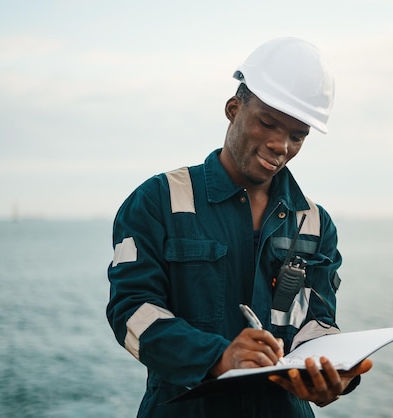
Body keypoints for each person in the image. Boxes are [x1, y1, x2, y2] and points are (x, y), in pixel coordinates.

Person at [106, 37, 372, 417]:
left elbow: (316, 321)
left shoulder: (314, 222)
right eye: (268, 123)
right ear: (233, 109)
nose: (281, 145)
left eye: (298, 136)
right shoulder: (158, 200)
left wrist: (332, 369)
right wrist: (218, 357)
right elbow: (131, 312)